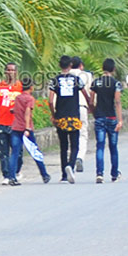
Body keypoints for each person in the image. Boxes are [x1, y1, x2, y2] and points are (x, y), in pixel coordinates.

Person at [48, 55, 94, 183]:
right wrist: (90, 107)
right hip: (74, 116)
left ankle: (63, 175)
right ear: (70, 65)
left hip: (61, 117)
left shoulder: (55, 81)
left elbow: (50, 101)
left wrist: (54, 114)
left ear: (59, 65)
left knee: (63, 146)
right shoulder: (77, 80)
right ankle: (71, 165)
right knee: (75, 145)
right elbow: (86, 95)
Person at [9, 77, 50, 184]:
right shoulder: (30, 99)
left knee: (14, 152)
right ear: (31, 87)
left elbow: (15, 110)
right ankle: (44, 174)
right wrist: (27, 128)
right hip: (25, 128)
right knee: (35, 151)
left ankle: (12, 177)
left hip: (15, 127)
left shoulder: (18, 98)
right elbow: (27, 112)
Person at [90, 58, 123, 183]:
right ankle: (114, 173)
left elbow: (91, 101)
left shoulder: (96, 82)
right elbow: (117, 102)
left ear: (103, 68)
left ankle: (99, 173)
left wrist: (95, 113)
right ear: (113, 69)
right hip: (111, 118)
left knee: (100, 146)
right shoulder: (116, 83)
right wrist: (120, 120)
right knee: (113, 147)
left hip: (99, 117)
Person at [0, 62, 23, 186]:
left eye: (13, 70)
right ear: (5, 72)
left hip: (16, 125)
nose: (10, 72)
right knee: (3, 152)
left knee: (18, 152)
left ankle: (15, 172)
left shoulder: (20, 87)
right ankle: (6, 175)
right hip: (1, 123)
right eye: (8, 70)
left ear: (16, 72)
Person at [72, 56, 94, 173]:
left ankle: (71, 158)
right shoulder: (86, 75)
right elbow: (91, 92)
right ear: (81, 65)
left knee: (70, 133)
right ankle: (80, 157)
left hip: (67, 108)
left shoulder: (63, 75)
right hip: (82, 106)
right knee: (83, 133)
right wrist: (92, 106)